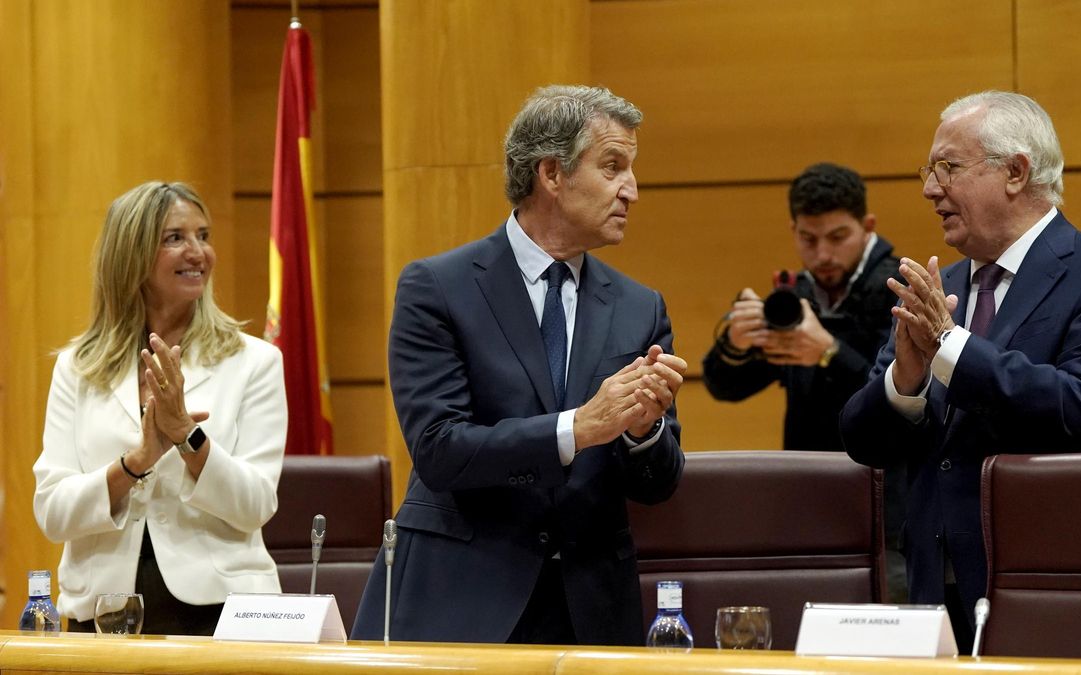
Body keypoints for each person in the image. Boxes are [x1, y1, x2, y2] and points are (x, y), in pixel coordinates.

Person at [351, 85, 686, 646]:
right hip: (463, 601)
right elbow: (438, 448)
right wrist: (577, 428)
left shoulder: (639, 307)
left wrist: (643, 430)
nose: (632, 190)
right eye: (612, 167)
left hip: (591, 611)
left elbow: (659, 484)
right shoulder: (437, 288)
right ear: (551, 173)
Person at [839, 91, 1081, 652]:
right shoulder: (945, 287)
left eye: (948, 167)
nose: (929, 188)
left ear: (1015, 171)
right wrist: (905, 383)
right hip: (931, 593)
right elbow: (859, 436)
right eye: (929, 169)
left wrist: (949, 344)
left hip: (1054, 587)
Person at [34, 182, 287, 635]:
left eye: (203, 236)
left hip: (224, 614)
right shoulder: (78, 368)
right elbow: (52, 512)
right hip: (102, 616)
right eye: (175, 238)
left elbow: (256, 504)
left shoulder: (254, 362)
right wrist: (135, 464)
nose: (198, 253)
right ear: (131, 255)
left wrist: (188, 436)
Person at [702, 162, 907, 601]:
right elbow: (725, 387)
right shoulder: (795, 297)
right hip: (807, 498)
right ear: (793, 229)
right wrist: (738, 341)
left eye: (837, 237)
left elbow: (902, 398)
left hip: (887, 508)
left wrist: (828, 352)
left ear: (867, 226)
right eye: (807, 239)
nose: (822, 255)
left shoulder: (900, 290)